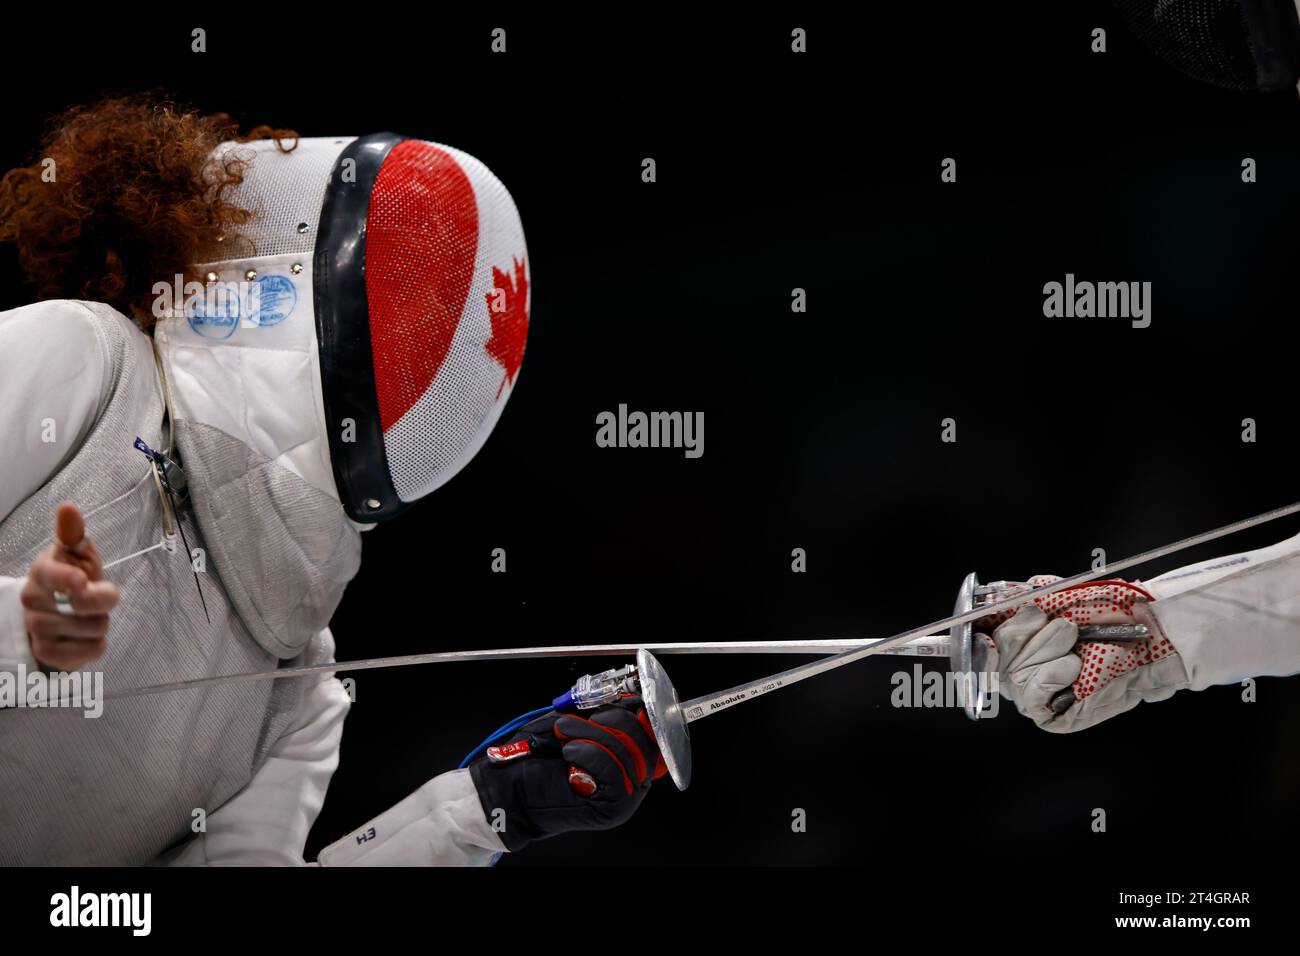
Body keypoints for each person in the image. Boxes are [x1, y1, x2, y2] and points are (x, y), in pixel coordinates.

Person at [0, 95, 662, 865]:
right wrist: (23, 633)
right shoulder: (81, 362)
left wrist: (479, 815)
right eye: (406, 280)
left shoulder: (302, 677)